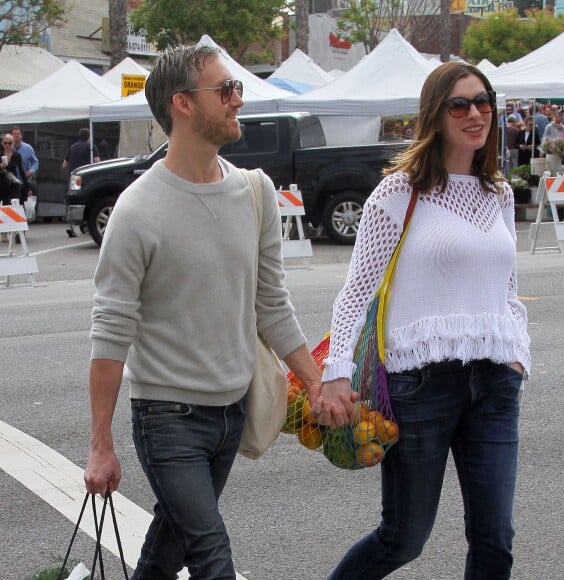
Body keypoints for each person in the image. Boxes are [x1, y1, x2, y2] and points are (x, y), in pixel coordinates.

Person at [83, 44, 336, 579]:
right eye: (225, 90)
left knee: (168, 551)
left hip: (232, 411)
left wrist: (315, 382)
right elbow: (110, 334)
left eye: (238, 88)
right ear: (182, 105)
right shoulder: (136, 210)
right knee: (212, 558)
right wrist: (100, 446)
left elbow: (271, 303)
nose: (237, 100)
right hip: (166, 417)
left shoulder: (254, 192)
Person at [315, 61, 530, 579]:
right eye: (461, 104)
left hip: (496, 382)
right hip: (421, 386)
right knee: (404, 538)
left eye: (484, 101)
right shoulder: (399, 193)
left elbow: (506, 288)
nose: (476, 113)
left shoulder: (497, 193)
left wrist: (519, 354)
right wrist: (336, 370)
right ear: (435, 114)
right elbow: (356, 292)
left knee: (495, 537)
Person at [63, 128, 100, 237]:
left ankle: (70, 225)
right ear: (89, 136)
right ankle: (87, 225)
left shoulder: (72, 147)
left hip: (73, 178)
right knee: (88, 201)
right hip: (87, 178)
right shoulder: (91, 147)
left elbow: (64, 164)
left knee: (72, 202)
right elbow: (98, 161)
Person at [1, 133, 30, 242]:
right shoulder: (0, 154)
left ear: (13, 143)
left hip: (14, 182)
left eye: (10, 143)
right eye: (5, 143)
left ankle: (19, 231)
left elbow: (21, 171)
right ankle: (3, 232)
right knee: (3, 205)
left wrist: (26, 185)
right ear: (3, 144)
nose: (7, 145)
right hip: (2, 183)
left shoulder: (16, 155)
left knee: (16, 203)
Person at [10, 127, 38, 193]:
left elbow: (35, 162)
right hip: (11, 182)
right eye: (14, 134)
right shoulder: (7, 148)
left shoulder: (28, 148)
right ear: (11, 135)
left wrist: (31, 170)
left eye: (18, 133)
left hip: (25, 181)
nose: (16, 135)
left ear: (21, 135)